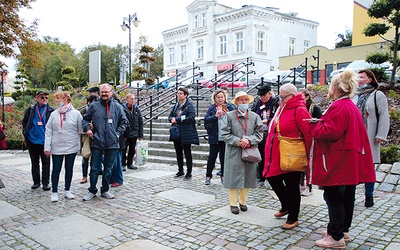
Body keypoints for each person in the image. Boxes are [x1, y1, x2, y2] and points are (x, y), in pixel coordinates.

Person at [308, 70, 375, 248]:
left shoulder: (340, 106)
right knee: (346, 198)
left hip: (338, 160)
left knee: (334, 198)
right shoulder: (349, 105)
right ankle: (342, 230)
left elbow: (330, 131)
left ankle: (335, 236)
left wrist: (314, 126)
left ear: (336, 87)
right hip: (347, 159)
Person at [262, 83, 312, 229]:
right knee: (271, 177)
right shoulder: (281, 107)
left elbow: (308, 134)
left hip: (292, 154)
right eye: (280, 96)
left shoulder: (300, 110)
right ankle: (286, 205)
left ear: (292, 96)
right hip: (277, 154)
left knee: (292, 185)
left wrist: (308, 156)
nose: (281, 99)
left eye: (283, 97)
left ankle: (293, 216)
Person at [82, 84, 127, 201]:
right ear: (99, 93)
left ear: (111, 93)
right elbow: (85, 119)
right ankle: (92, 190)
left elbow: (124, 121)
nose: (104, 94)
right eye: (102, 92)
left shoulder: (117, 107)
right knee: (94, 168)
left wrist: (117, 133)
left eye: (106, 92)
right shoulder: (94, 106)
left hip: (112, 142)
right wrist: (87, 129)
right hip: (97, 141)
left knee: (109, 168)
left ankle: (105, 189)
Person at [352, 69, 390, 207]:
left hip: (370, 135)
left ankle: (369, 195)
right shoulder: (354, 95)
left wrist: (381, 135)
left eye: (362, 77)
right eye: (358, 77)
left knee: (369, 166)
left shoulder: (377, 95)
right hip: (355, 135)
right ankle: (351, 196)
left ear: (370, 79)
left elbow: (384, 115)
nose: (359, 79)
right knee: (354, 166)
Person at [221, 91, 263, 214]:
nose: (243, 102)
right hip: (234, 150)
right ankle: (233, 203)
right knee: (233, 177)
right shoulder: (229, 116)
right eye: (241, 100)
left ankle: (243, 202)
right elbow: (224, 133)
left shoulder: (255, 117)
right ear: (237, 102)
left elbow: (259, 133)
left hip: (249, 150)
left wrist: (249, 140)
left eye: (245, 100)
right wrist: (238, 141)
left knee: (248, 177)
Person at [44, 91, 82, 202]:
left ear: (65, 99)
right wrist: (47, 147)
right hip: (57, 146)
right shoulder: (53, 114)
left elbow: (80, 128)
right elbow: (48, 131)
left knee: (69, 168)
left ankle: (67, 190)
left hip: (71, 145)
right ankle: (54, 191)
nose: (56, 101)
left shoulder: (76, 113)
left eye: (58, 99)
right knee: (56, 169)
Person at [22, 90, 55, 191]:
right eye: (42, 97)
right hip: (32, 140)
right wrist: (26, 133)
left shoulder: (50, 110)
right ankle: (36, 182)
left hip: (45, 141)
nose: (44, 99)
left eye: (46, 97)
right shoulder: (31, 110)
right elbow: (24, 122)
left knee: (46, 163)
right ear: (37, 98)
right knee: (35, 162)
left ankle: (46, 183)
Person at [203, 89, 235, 185]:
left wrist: (228, 114)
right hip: (215, 136)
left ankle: (223, 175)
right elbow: (206, 119)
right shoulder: (212, 108)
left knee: (224, 157)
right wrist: (215, 116)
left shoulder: (230, 106)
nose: (221, 99)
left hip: (225, 136)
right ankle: (208, 176)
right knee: (212, 157)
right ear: (215, 98)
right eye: (218, 97)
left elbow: (235, 119)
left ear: (225, 97)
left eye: (222, 97)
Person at [251, 85, 279, 188]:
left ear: (269, 94)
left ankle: (272, 177)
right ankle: (261, 177)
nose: (262, 97)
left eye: (264, 95)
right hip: (260, 133)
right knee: (261, 156)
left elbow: (278, 116)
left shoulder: (275, 103)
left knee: (272, 155)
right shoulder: (257, 104)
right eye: (261, 96)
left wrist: (268, 120)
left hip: (271, 132)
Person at [168, 87, 199, 180]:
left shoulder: (189, 105)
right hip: (176, 132)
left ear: (185, 95)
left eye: (181, 93)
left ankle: (189, 172)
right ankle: (180, 170)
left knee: (187, 152)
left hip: (186, 132)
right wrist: (171, 119)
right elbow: (170, 116)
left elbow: (191, 117)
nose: (179, 95)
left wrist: (177, 119)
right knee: (178, 152)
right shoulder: (176, 105)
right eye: (178, 93)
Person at [298, 88, 322, 196]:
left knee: (309, 162)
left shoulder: (314, 108)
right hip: (301, 138)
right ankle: (301, 184)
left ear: (307, 97)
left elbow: (320, 121)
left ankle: (309, 186)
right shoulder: (299, 108)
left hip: (311, 138)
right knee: (301, 161)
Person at [122, 94, 144, 171]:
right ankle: (123, 164)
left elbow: (140, 122)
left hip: (134, 133)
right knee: (123, 149)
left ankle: (130, 163)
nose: (133, 100)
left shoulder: (136, 109)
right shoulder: (123, 109)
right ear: (127, 99)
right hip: (125, 134)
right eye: (131, 99)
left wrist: (140, 134)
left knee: (132, 149)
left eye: (134, 99)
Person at [80, 93, 98, 184]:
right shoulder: (84, 111)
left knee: (95, 157)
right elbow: (81, 124)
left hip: (95, 136)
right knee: (85, 156)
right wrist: (87, 127)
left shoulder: (98, 109)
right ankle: (84, 175)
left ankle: (93, 174)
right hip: (86, 137)